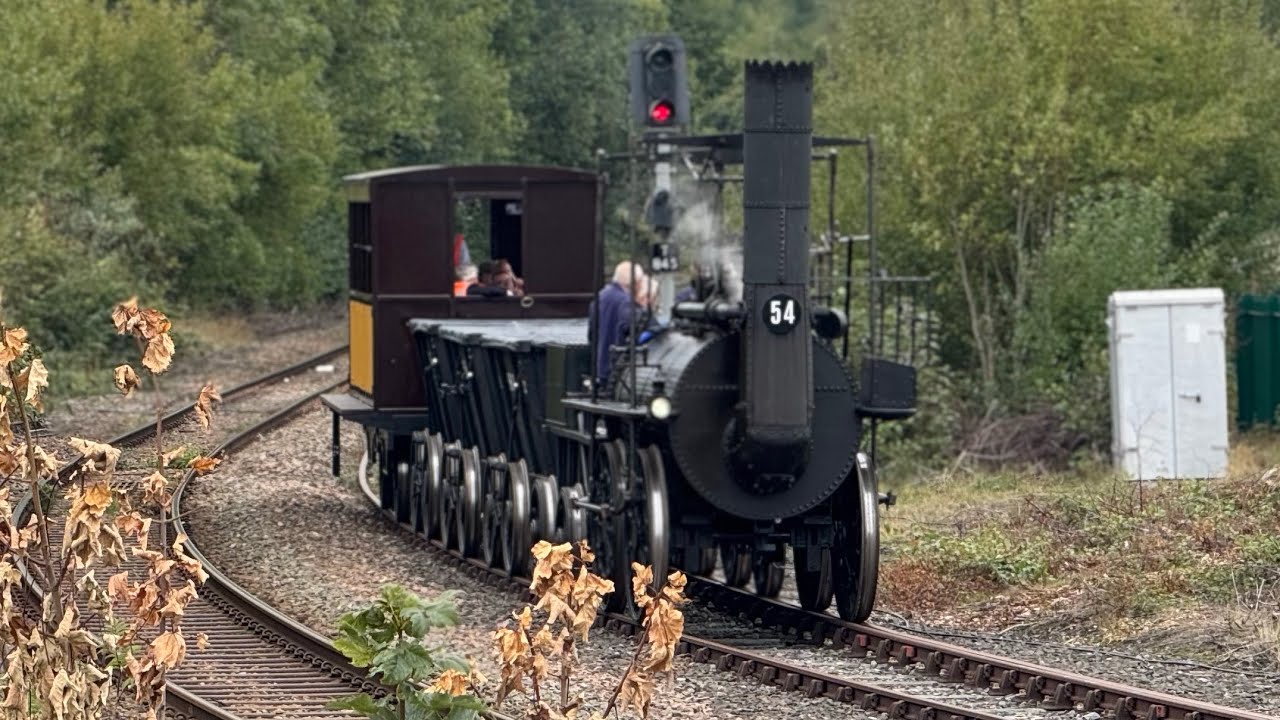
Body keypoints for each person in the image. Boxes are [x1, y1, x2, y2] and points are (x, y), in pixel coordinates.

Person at [593, 261, 647, 386]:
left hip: (600, 367)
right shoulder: (627, 304)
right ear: (635, 283)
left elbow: (592, 335)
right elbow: (637, 332)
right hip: (619, 370)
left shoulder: (600, 296)